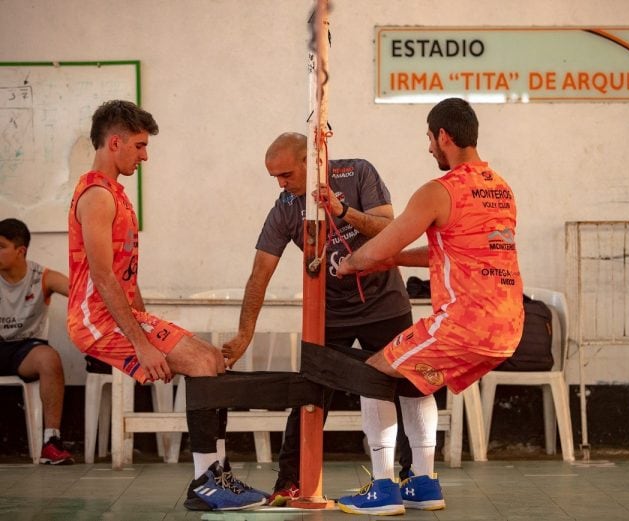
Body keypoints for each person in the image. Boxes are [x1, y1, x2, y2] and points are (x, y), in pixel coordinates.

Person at [67, 100, 266, 511]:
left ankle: (215, 476)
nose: (145, 155)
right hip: (95, 321)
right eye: (139, 146)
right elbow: (102, 278)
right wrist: (141, 342)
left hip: (117, 315)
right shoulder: (96, 197)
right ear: (115, 142)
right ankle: (207, 482)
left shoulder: (115, 195)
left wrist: (145, 321)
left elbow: (124, 277)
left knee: (212, 358)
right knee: (200, 362)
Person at [336, 97, 525, 515]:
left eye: (429, 139)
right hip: (508, 328)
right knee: (415, 377)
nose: (428, 149)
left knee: (373, 373)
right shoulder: (500, 188)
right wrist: (397, 259)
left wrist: (348, 263)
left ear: (444, 136)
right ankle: (422, 483)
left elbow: (383, 243)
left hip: (463, 324)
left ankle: (383, 488)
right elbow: (454, 248)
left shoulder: (439, 191)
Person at [223, 132, 415, 506]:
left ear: (312, 162)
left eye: (286, 175)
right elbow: (259, 273)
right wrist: (245, 334)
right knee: (310, 392)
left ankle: (411, 477)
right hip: (333, 313)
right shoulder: (285, 208)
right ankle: (290, 481)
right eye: (274, 178)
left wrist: (343, 212)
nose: (280, 184)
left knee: (406, 388)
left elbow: (391, 232)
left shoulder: (358, 173)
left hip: (385, 304)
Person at [0, 218, 74, 465]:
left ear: (20, 251)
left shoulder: (42, 277)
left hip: (25, 350)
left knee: (49, 358)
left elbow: (79, 291)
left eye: (1, 246)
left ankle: (51, 442)